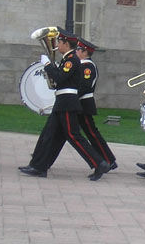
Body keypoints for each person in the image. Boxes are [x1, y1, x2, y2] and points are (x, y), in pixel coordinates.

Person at [19, 29, 110, 180]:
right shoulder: (69, 59)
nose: (57, 45)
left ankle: (99, 162)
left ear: (66, 44)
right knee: (48, 135)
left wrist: (48, 65)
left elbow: (60, 78)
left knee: (73, 136)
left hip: (67, 102)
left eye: (59, 42)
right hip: (62, 101)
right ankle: (38, 165)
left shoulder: (71, 59)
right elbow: (59, 81)